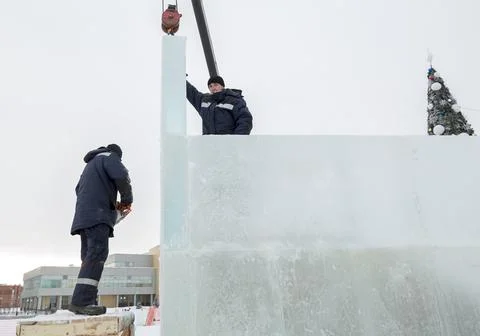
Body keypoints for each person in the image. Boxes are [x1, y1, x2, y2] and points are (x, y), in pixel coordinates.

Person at [68, 144, 133, 315]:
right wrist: (127, 200)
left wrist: (110, 207)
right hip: (97, 217)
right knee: (97, 255)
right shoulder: (110, 157)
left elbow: (79, 190)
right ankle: (81, 301)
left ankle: (86, 300)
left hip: (83, 217)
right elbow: (122, 175)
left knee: (89, 257)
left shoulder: (89, 166)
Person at [186, 75, 253, 134]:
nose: (213, 88)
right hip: (208, 144)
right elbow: (192, 93)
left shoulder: (234, 100)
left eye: (216, 85)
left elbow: (245, 119)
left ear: (222, 86)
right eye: (210, 86)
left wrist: (236, 140)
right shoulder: (204, 100)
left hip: (228, 144)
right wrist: (181, 78)